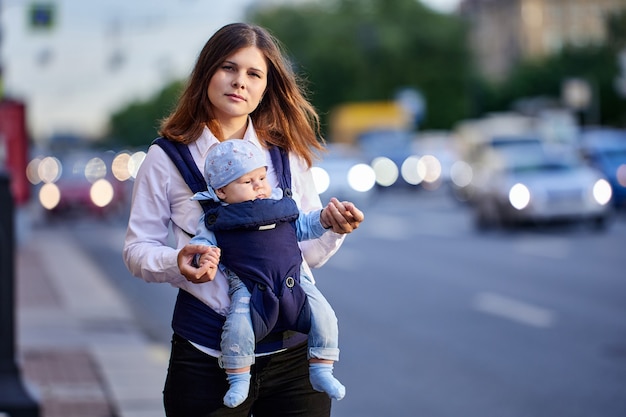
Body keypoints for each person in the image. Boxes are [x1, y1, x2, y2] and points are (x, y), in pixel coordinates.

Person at [122, 22, 364, 417]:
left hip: (292, 357)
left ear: (266, 86)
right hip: (207, 354)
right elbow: (136, 250)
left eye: (254, 74)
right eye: (228, 69)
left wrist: (333, 227)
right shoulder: (165, 158)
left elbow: (307, 254)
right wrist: (177, 263)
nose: (240, 83)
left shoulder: (286, 154)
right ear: (206, 75)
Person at [189, 139, 349, 408]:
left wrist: (324, 220)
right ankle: (239, 377)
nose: (259, 186)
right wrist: (203, 256)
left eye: (262, 177)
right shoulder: (218, 219)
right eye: (247, 181)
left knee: (325, 316)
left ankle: (322, 369)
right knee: (237, 329)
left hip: (295, 280)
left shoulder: (281, 205)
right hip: (248, 287)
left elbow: (304, 226)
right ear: (222, 191)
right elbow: (202, 243)